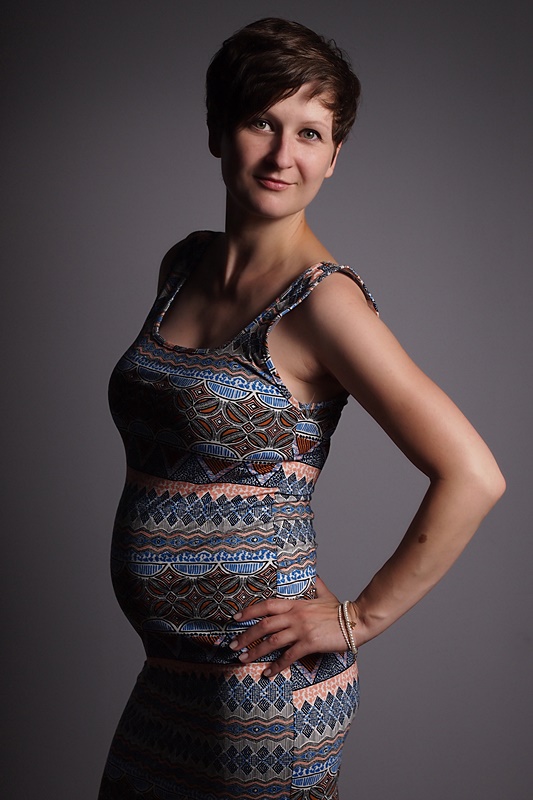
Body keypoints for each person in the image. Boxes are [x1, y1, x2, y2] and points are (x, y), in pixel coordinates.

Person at [98, 17, 505, 800]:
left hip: (260, 686)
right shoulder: (183, 265)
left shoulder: (323, 303)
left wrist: (358, 619)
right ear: (218, 131)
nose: (283, 155)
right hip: (170, 672)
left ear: (334, 155)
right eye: (262, 121)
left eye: (310, 133)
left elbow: (473, 475)